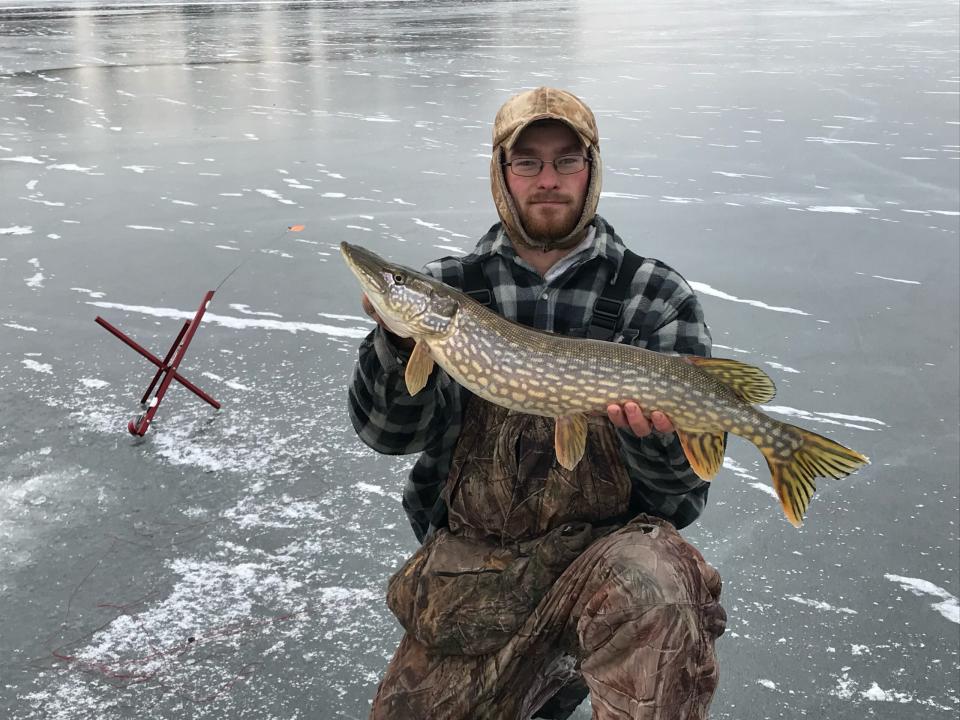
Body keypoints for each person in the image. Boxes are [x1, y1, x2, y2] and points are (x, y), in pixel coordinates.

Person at [348, 87, 726, 720]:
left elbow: (681, 494)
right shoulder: (448, 290)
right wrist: (393, 340)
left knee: (659, 586)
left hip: (609, 573)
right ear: (501, 173)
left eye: (567, 160)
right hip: (475, 575)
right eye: (527, 162)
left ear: (591, 169)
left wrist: (651, 435)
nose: (548, 180)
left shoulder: (655, 297)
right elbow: (387, 434)